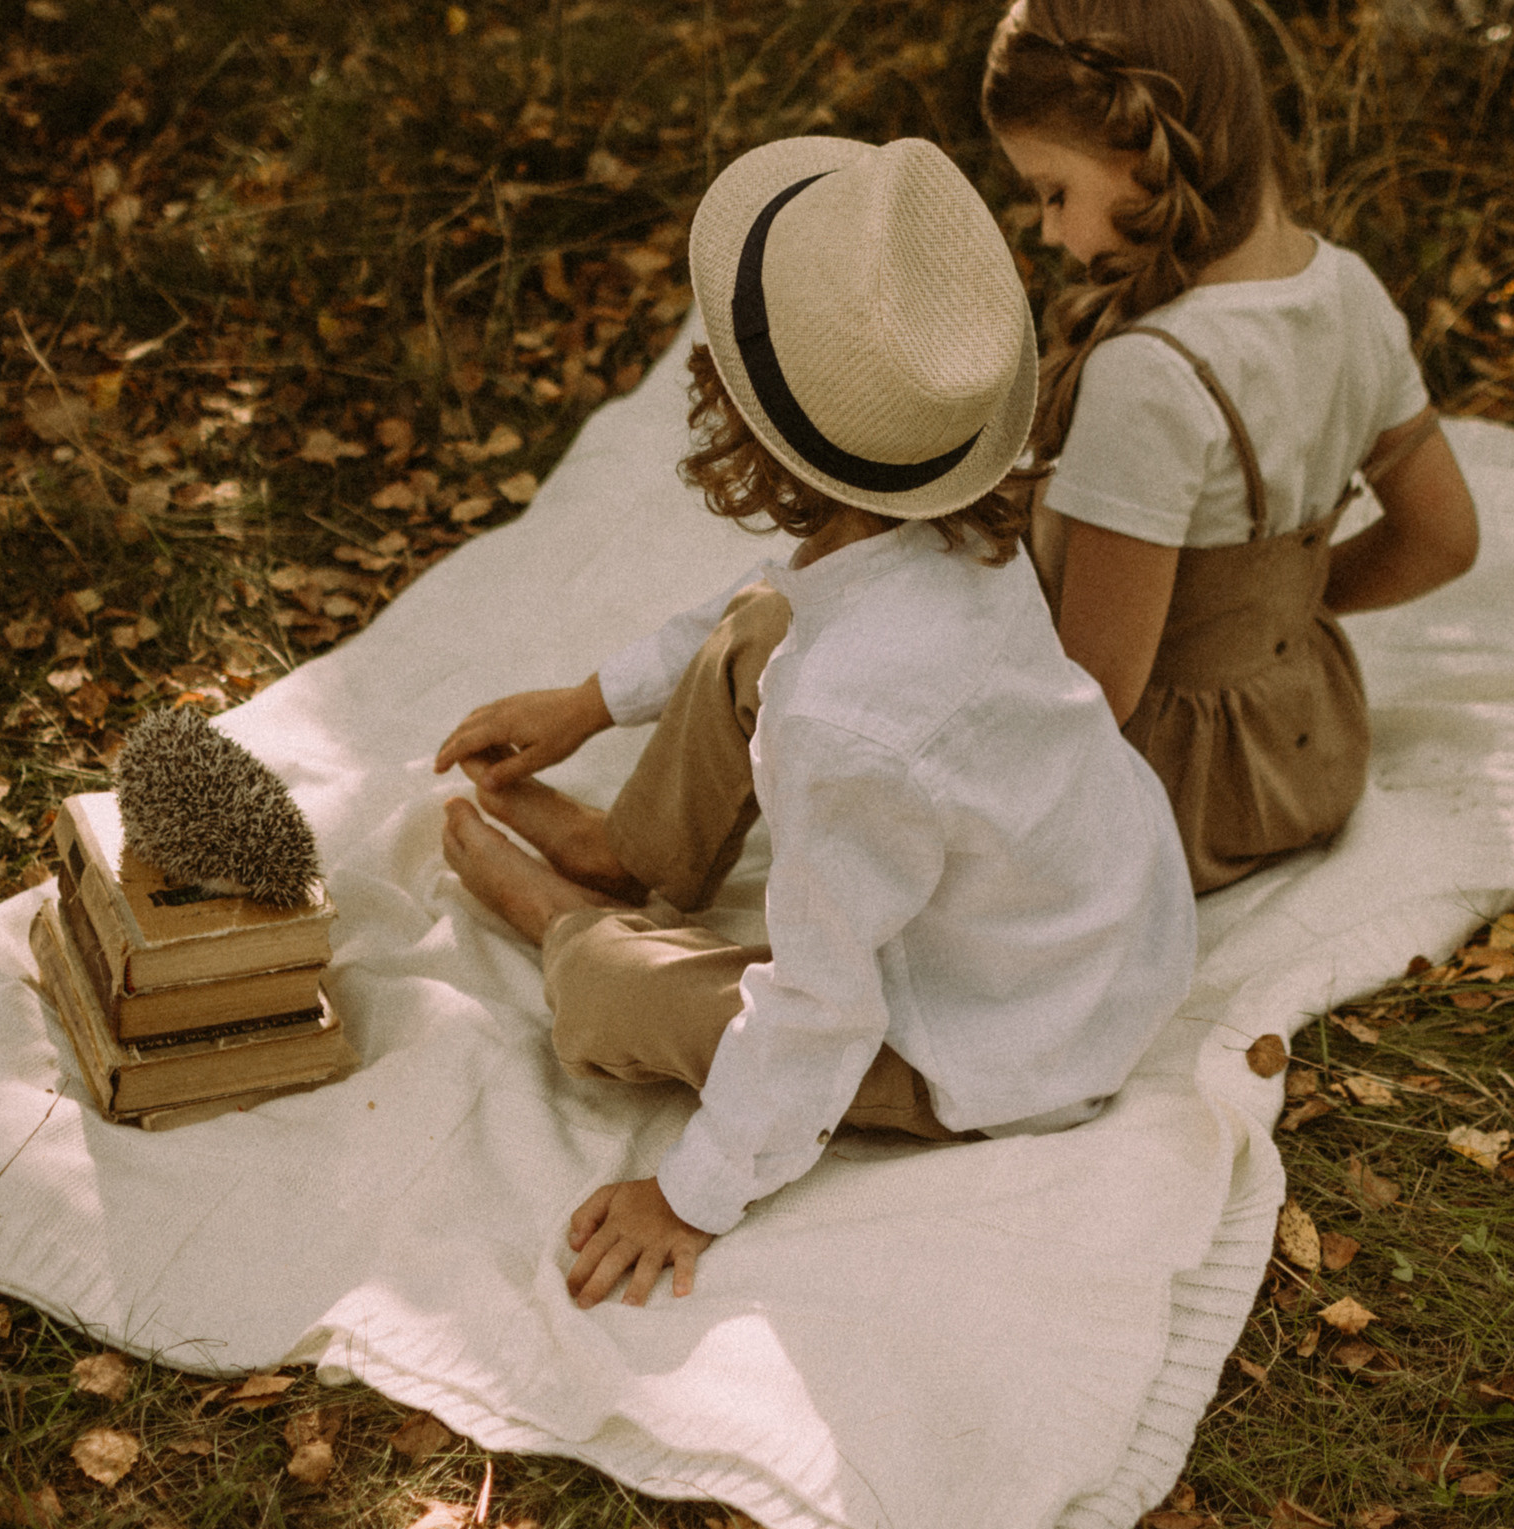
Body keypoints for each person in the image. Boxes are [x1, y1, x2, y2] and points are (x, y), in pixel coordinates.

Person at [432, 136, 1197, 1310]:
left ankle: (571, 922)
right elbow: (771, 608)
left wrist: (688, 1194)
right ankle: (629, 852)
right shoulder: (941, 525)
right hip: (1080, 908)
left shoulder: (849, 725)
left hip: (1005, 1039)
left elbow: (824, 1009)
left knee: (615, 997)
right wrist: (592, 703)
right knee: (758, 624)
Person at [984, 0, 1481, 892]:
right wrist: (1268, 620)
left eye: (1054, 193)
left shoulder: (1149, 374)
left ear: (1144, 155)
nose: (1049, 231)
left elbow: (1096, 690)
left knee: (789, 645)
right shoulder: (1352, 293)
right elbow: (1444, 538)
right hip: (1312, 755)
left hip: (1172, 804)